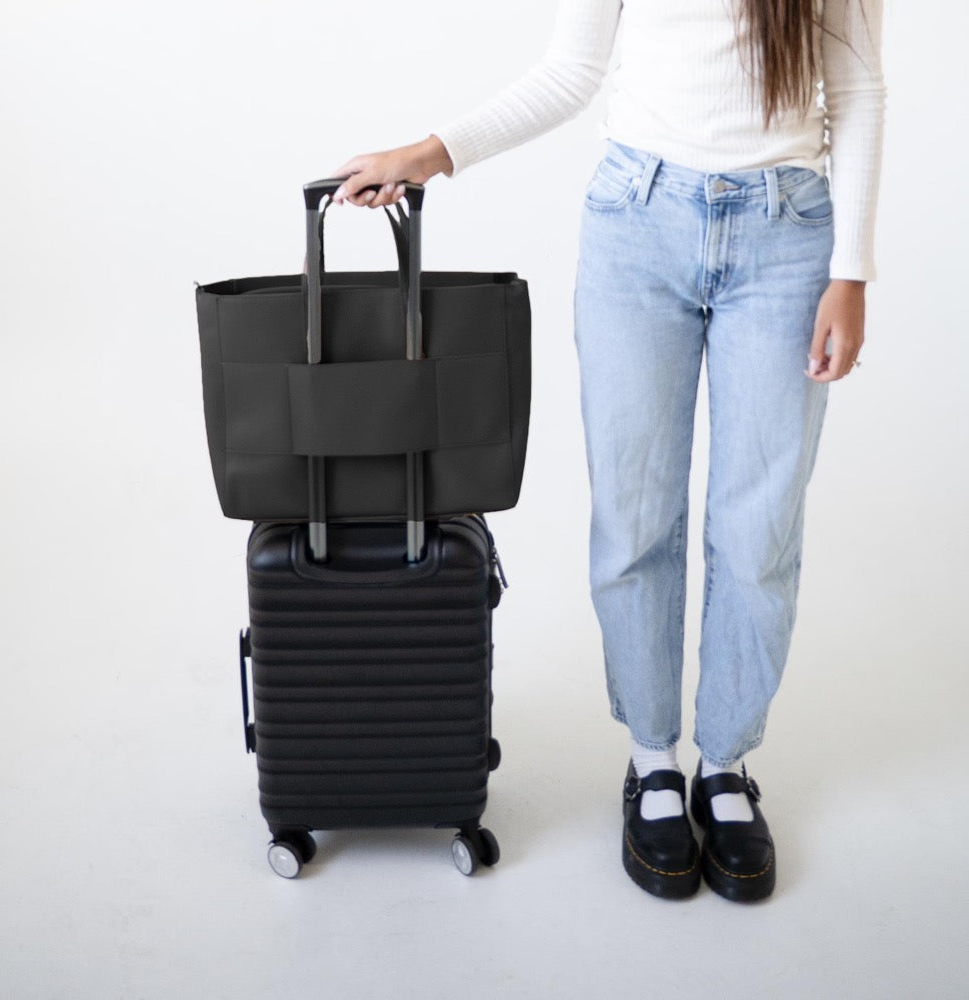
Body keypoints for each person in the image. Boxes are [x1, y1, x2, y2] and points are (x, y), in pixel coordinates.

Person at [327, 0, 885, 902]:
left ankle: (727, 767)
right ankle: (654, 759)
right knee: (634, 516)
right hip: (639, 223)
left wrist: (851, 272)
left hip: (789, 240)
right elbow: (570, 73)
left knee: (759, 531)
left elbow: (857, 90)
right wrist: (429, 153)